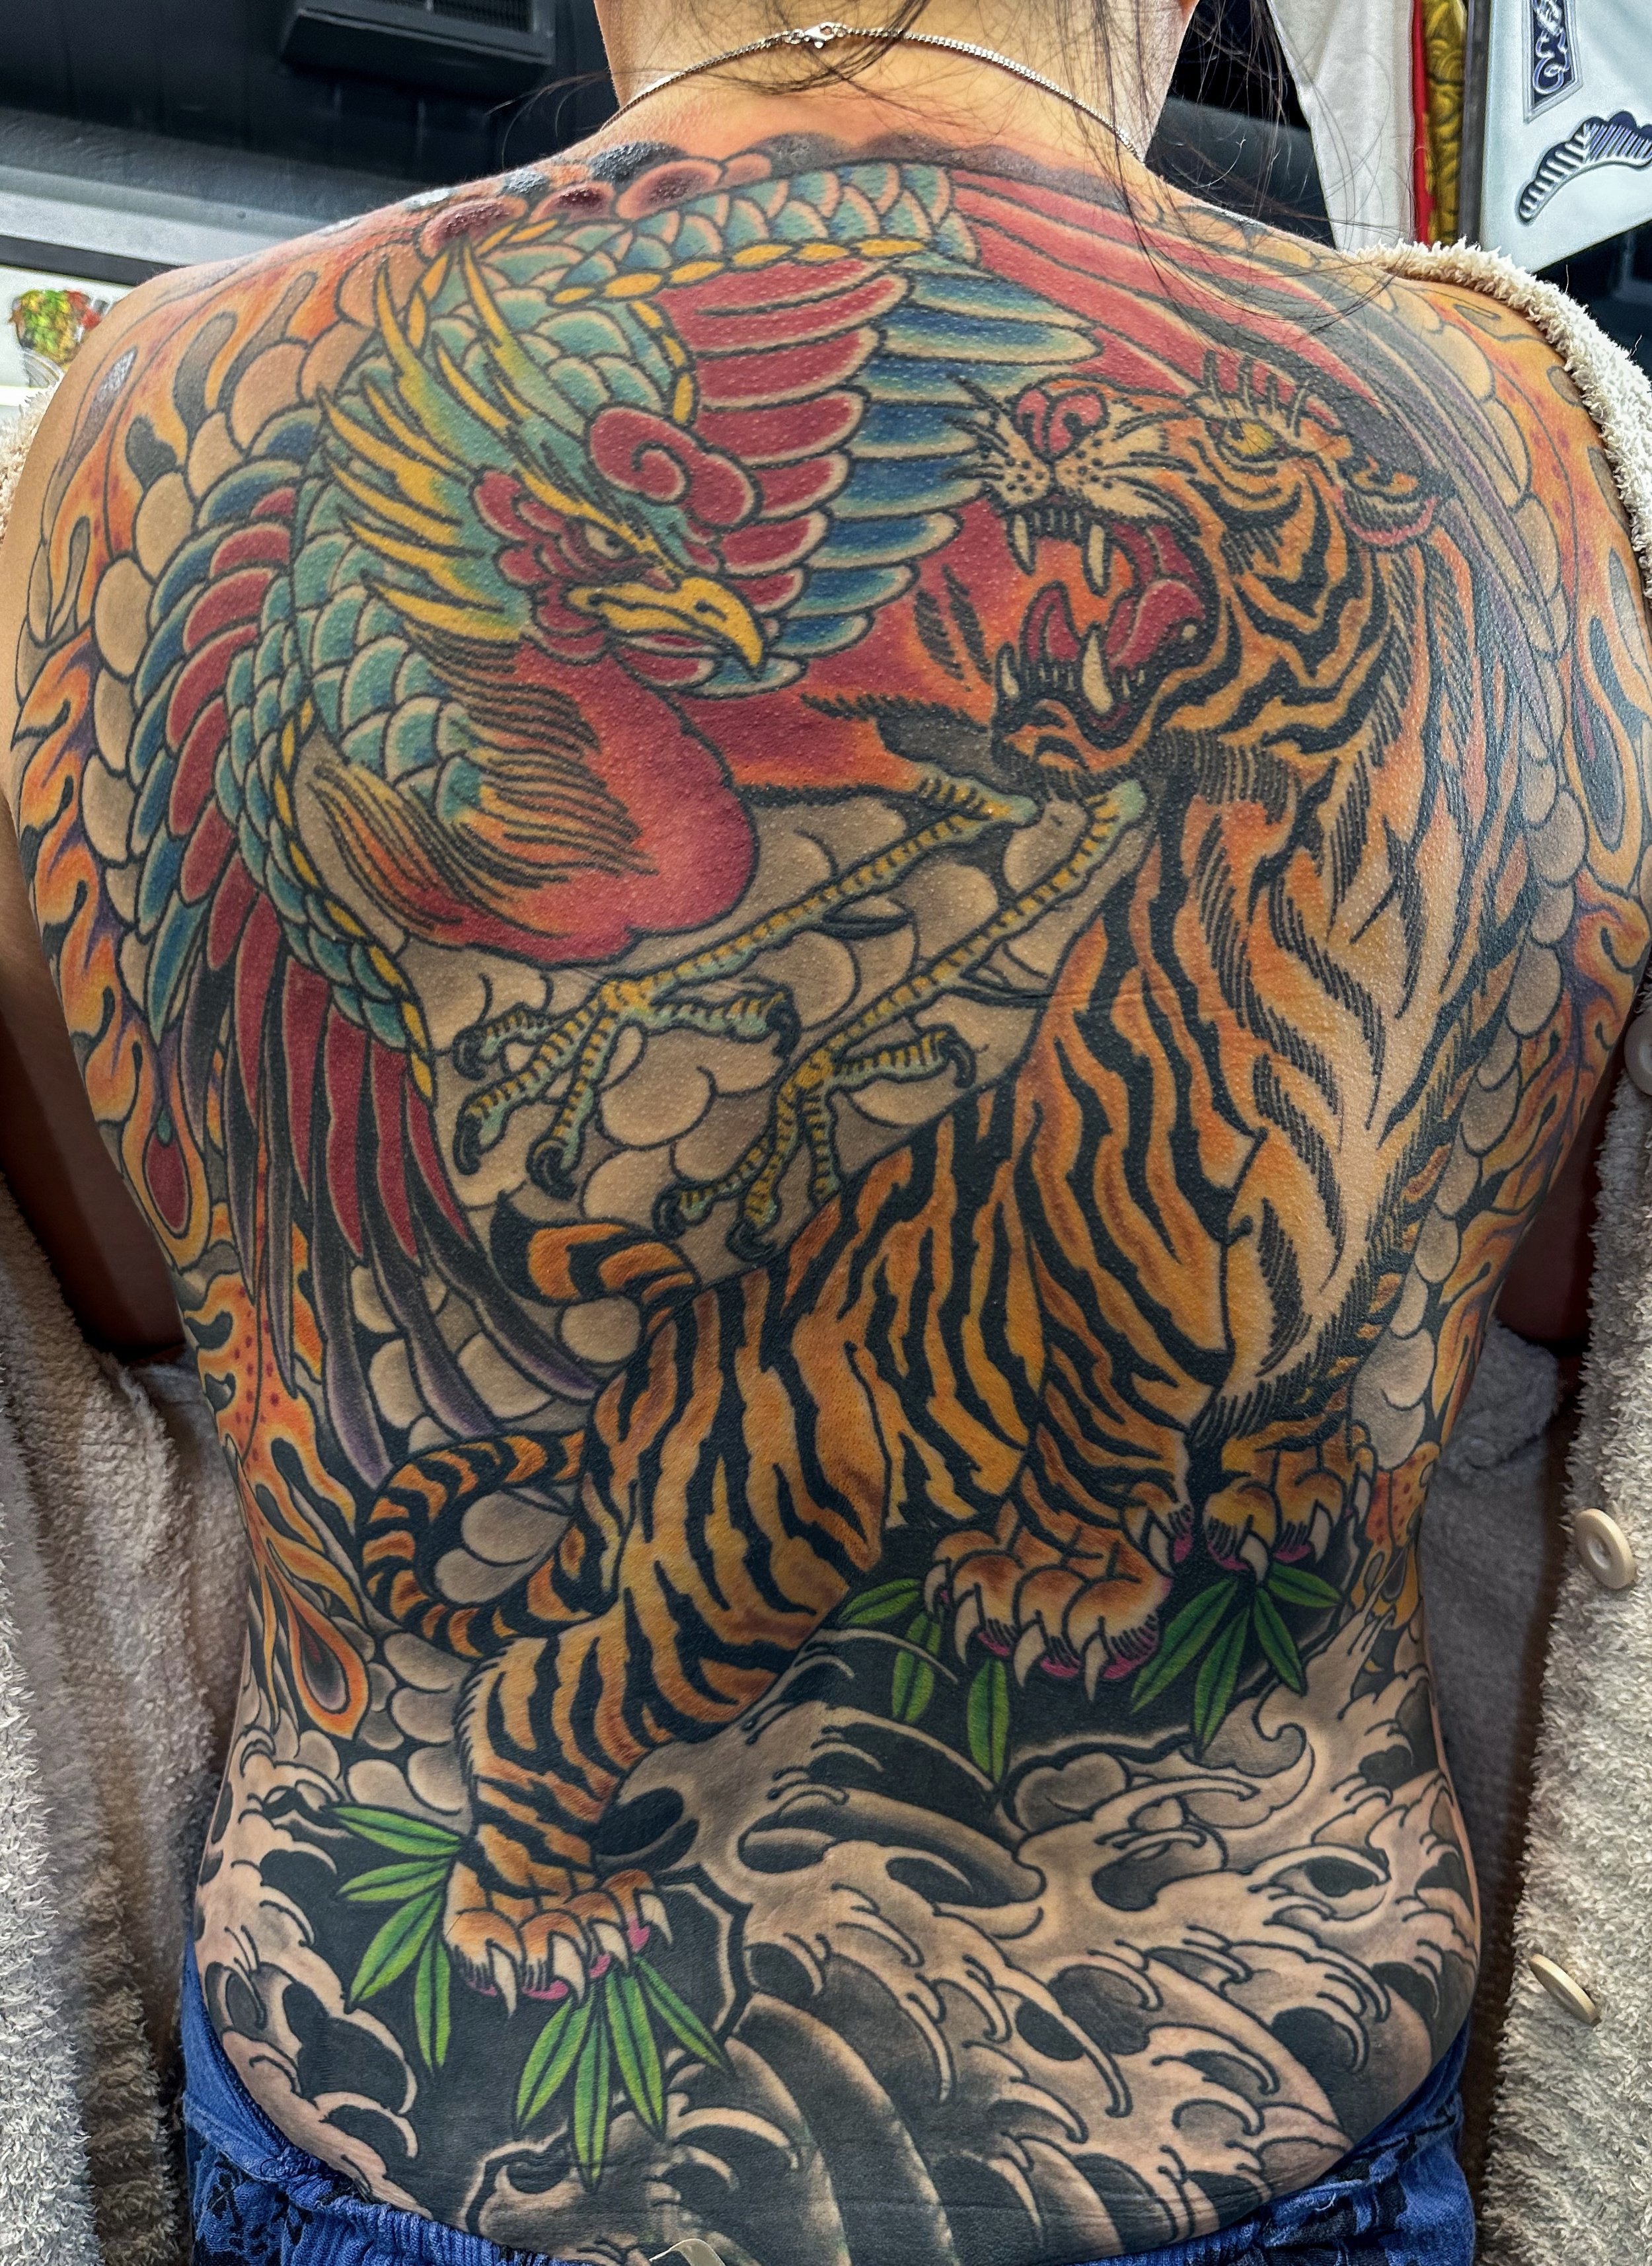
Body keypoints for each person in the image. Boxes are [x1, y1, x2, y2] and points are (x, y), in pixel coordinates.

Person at [1, 3, 1649, 2259]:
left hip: (399, 2138)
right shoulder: (1520, 452)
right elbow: (1536, 1279)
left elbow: (140, 1279)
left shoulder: (138, 422)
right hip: (1270, 2102)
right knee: (770, 1490)